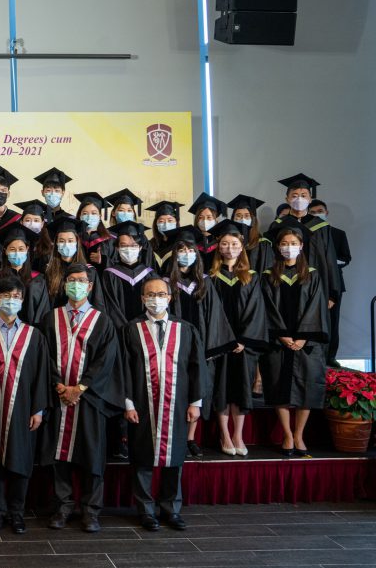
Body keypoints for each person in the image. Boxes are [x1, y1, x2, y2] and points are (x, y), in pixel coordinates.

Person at [41, 264, 122, 533]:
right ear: (64, 285)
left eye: (81, 281)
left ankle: (90, 511)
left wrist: (82, 387)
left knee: (92, 456)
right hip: (59, 397)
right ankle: (62, 507)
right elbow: (44, 355)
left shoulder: (102, 320)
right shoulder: (50, 317)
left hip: (89, 399)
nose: (76, 284)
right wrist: (60, 386)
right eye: (71, 280)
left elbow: (106, 360)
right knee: (59, 456)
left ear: (90, 286)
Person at [122, 275, 205, 532]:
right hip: (142, 403)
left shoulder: (186, 329)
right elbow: (124, 368)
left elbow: (197, 367)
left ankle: (171, 509)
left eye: (161, 294)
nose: (155, 299)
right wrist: (128, 404)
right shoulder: (131, 328)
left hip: (177, 404)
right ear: (142, 298)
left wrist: (196, 402)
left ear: (169, 298)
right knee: (143, 457)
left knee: (174, 458)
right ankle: (146, 511)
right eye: (150, 294)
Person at [0, 275, 51, 535]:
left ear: (22, 300)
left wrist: (38, 409)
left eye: (16, 297)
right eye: (6, 296)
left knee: (21, 462)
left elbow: (41, 375)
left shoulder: (34, 335)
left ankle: (17, 513)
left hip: (24, 408)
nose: (11, 301)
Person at [165, 226, 237, 459]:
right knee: (174, 393)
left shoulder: (204, 282)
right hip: (172, 347)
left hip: (200, 348)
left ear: (197, 253)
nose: (186, 253)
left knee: (197, 391)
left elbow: (216, 315)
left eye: (190, 249)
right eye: (181, 249)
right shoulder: (164, 282)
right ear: (174, 253)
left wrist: (210, 349)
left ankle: (190, 438)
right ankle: (174, 435)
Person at [260, 226, 329, 457]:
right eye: (284, 243)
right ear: (278, 247)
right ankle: (287, 435)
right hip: (279, 341)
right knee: (279, 387)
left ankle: (299, 434)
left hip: (305, 342)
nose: (289, 247)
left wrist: (302, 337)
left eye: (293, 243)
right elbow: (267, 307)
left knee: (306, 388)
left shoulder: (313, 274)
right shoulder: (269, 275)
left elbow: (317, 307)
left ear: (301, 246)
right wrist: (282, 335)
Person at [207, 221, 269, 456]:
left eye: (234, 244)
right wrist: (223, 341)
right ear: (218, 247)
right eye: (225, 243)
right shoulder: (211, 277)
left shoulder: (250, 277)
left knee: (240, 389)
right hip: (219, 344)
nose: (229, 248)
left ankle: (238, 435)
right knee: (221, 389)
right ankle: (224, 434)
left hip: (243, 345)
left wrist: (243, 340)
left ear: (241, 246)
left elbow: (256, 311)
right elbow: (210, 313)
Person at [267, 174, 342, 317]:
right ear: (287, 199)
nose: (299, 199)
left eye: (303, 195)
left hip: (315, 285)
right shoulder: (277, 225)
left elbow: (330, 260)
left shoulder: (321, 226)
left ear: (310, 199)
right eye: (294, 195)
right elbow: (271, 257)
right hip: (284, 283)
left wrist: (332, 293)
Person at [308, 199, 350, 363]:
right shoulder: (307, 231)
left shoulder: (338, 233)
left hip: (334, 282)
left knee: (333, 320)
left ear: (326, 212)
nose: (317, 214)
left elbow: (346, 258)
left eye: (320, 211)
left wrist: (329, 262)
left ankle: (331, 356)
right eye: (313, 212)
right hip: (312, 281)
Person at [98, 222, 156, 329]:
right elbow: (110, 306)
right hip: (119, 330)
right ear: (117, 248)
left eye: (134, 245)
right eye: (124, 245)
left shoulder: (150, 274)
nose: (129, 249)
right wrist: (126, 329)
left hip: (146, 329)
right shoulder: (109, 274)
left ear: (140, 248)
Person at [0, 228, 51, 326]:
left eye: (21, 249)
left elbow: (43, 311)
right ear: (5, 251)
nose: (17, 253)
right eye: (12, 249)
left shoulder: (38, 279)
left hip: (31, 332)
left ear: (27, 250)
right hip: (2, 329)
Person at [227, 194, 273, 277]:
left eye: (246, 216)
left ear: (253, 219)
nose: (242, 219)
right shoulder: (227, 244)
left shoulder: (263, 244)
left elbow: (267, 273)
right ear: (233, 218)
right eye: (238, 215)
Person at [73, 192, 115, 269]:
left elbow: (118, 265)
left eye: (94, 213)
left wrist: (103, 260)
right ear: (80, 215)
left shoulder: (110, 239)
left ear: (100, 216)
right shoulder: (73, 237)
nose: (89, 216)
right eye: (85, 213)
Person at [187, 193, 227, 271]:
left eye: (209, 217)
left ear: (216, 220)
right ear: (197, 220)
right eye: (201, 217)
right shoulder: (191, 241)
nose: (205, 221)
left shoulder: (222, 241)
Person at [147, 200, 183, 272]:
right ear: (156, 224)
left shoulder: (182, 243)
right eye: (161, 221)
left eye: (170, 220)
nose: (166, 224)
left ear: (176, 222)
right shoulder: (150, 244)